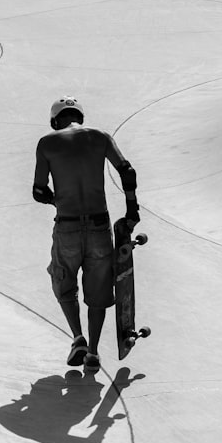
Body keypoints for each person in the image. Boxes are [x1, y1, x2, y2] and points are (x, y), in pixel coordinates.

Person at [32, 96, 140, 372]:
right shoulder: (100, 137)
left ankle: (77, 337)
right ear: (79, 116)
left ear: (56, 120)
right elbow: (127, 172)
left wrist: (58, 201)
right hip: (99, 228)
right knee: (98, 291)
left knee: (63, 282)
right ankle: (92, 351)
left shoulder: (47, 143)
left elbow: (39, 191)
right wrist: (131, 211)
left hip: (66, 226)